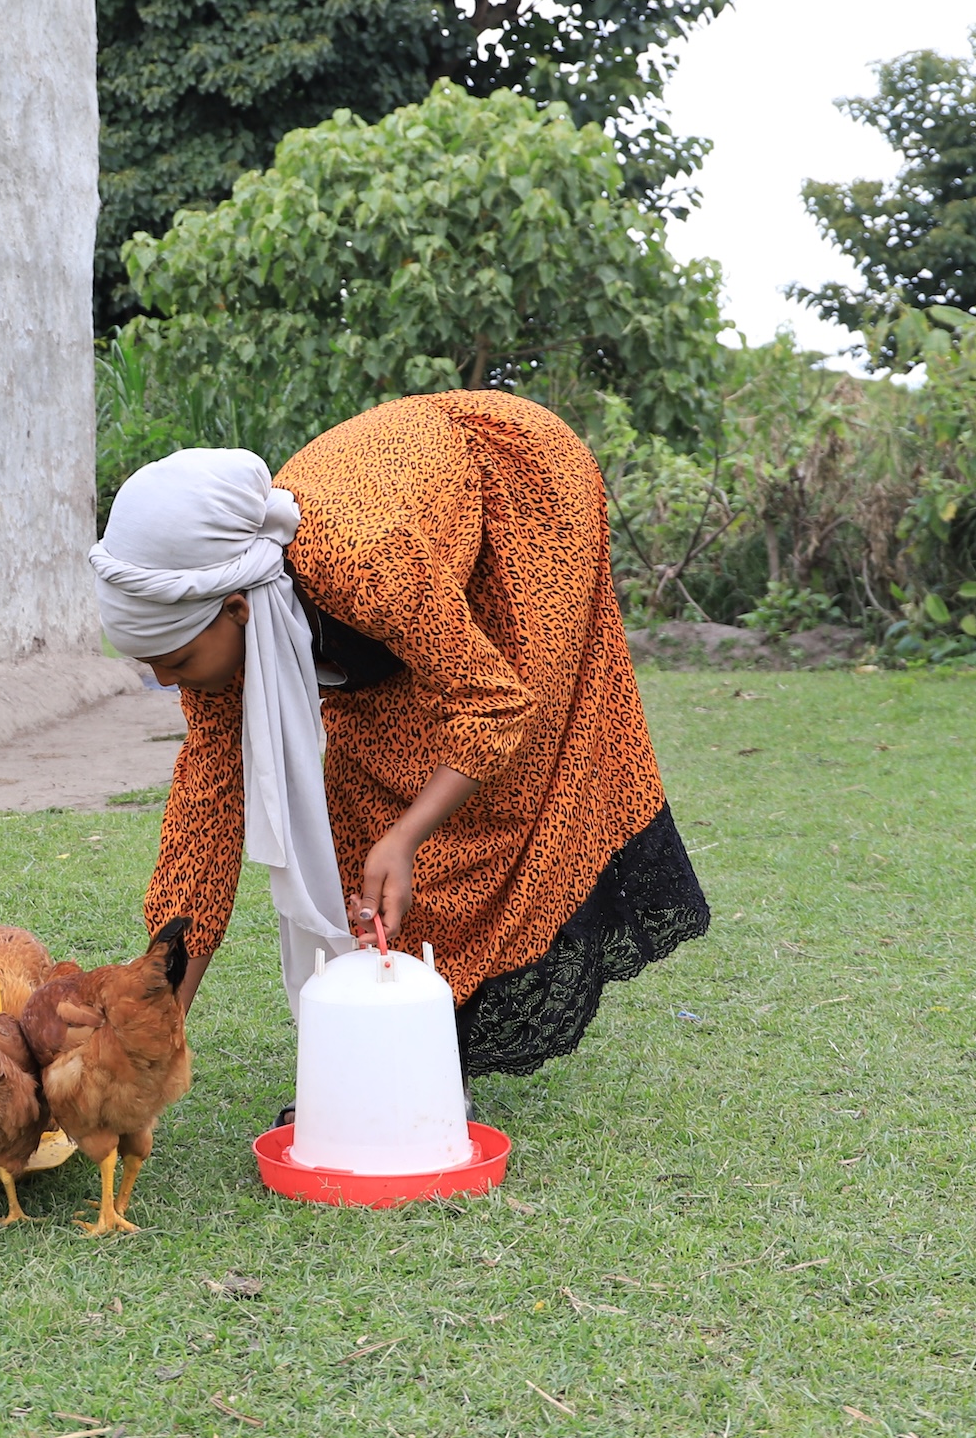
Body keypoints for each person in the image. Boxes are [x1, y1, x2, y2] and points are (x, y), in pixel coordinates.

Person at [88, 390, 708, 1077]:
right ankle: (391, 1050)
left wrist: (408, 834)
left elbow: (495, 702)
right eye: (152, 671)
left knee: (490, 793)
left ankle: (433, 1066)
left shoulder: (367, 562)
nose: (171, 683)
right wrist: (155, 1027)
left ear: (237, 610)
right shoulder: (228, 630)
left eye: (176, 662)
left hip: (522, 489)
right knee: (361, 803)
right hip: (407, 535)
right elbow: (205, 821)